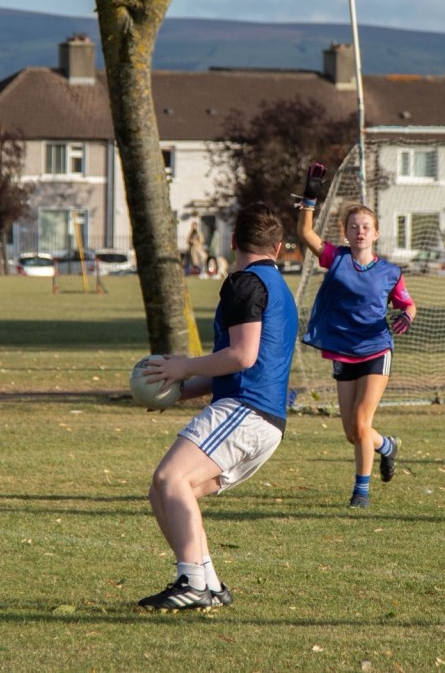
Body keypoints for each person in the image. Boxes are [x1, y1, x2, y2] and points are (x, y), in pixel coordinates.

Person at [136, 202, 298, 611]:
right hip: (263, 420)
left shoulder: (244, 283)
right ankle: (208, 582)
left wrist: (183, 365)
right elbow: (239, 366)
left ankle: (191, 581)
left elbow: (242, 356)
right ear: (278, 248)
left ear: (233, 241)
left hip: (246, 412)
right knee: (166, 492)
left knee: (170, 477)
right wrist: (179, 390)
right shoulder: (278, 287)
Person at [297, 163, 416, 508]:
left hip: (376, 349)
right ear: (346, 233)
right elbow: (305, 233)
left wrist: (407, 314)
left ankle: (360, 493)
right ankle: (387, 447)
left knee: (363, 422)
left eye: (366, 227)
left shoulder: (390, 272)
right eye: (354, 227)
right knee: (353, 432)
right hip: (342, 350)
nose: (360, 231)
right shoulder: (335, 258)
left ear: (376, 233)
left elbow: (408, 304)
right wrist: (310, 197)